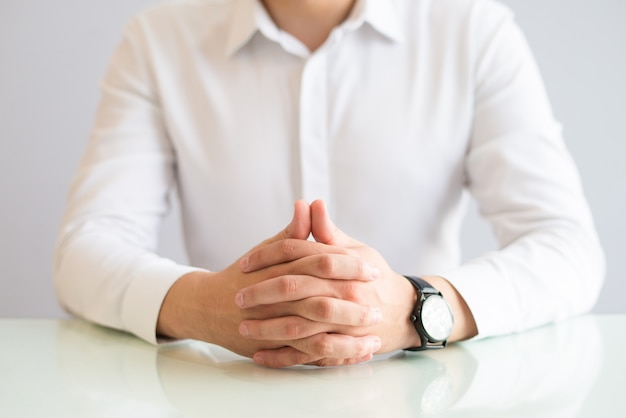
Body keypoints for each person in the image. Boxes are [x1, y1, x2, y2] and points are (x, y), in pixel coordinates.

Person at [54, 0, 605, 368]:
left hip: (420, 388)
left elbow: (568, 247)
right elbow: (84, 250)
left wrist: (415, 309)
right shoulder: (159, 39)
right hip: (228, 392)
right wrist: (204, 306)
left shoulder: (472, 29)